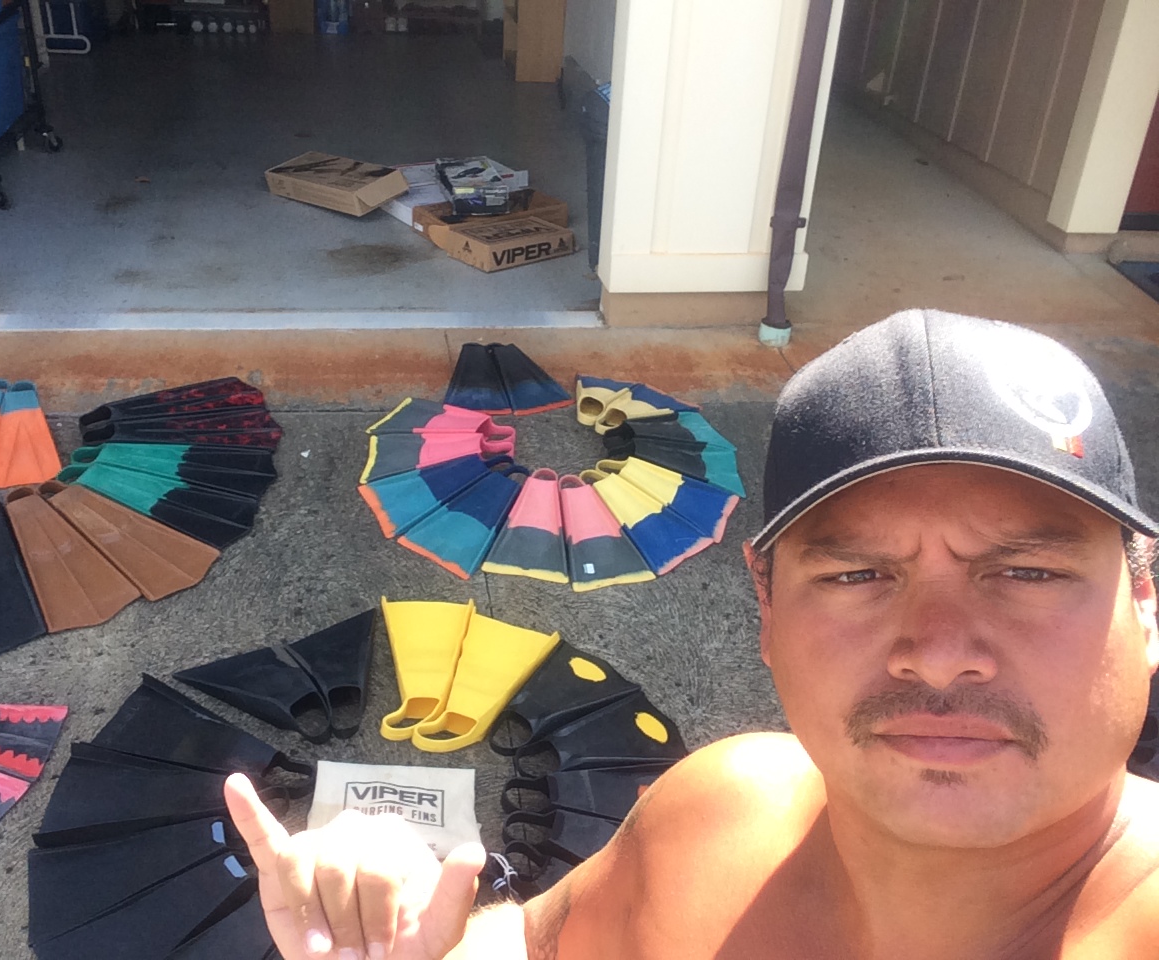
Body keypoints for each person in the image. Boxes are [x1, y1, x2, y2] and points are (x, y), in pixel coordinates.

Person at [225, 309, 1159, 960]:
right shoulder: (721, 817)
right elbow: (528, 946)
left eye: (1028, 572)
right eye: (856, 575)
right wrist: (398, 936)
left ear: (1146, 603)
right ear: (767, 607)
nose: (941, 648)